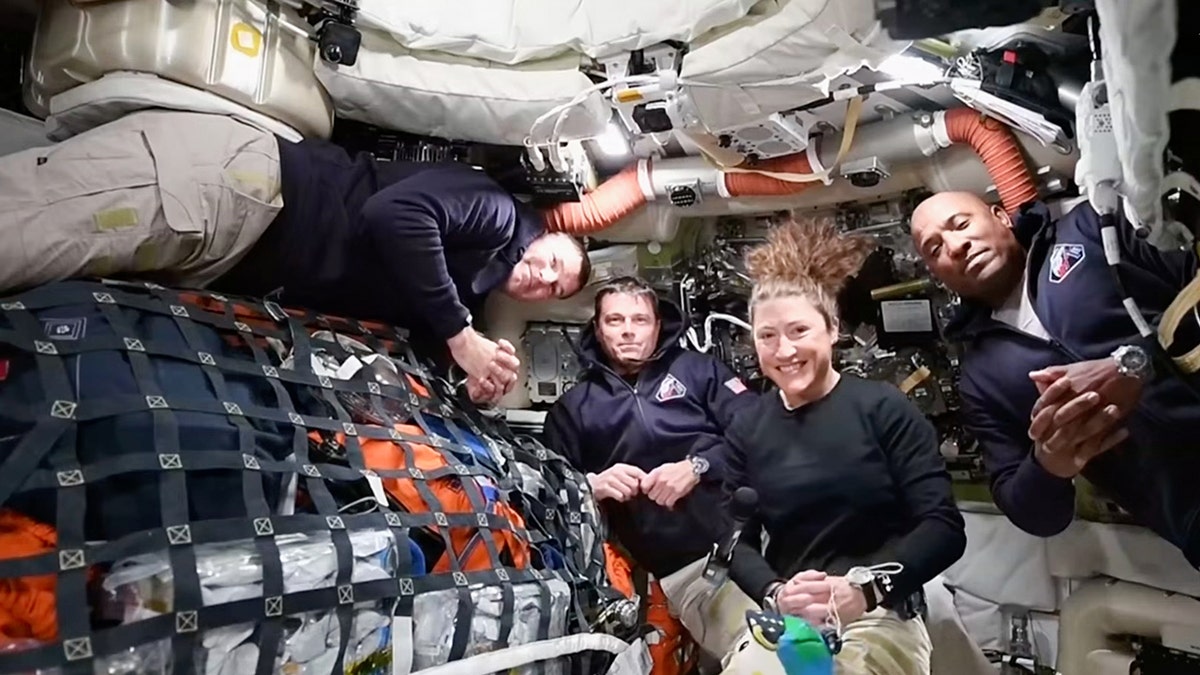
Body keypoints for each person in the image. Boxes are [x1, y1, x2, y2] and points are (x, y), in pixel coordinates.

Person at [0, 110, 590, 404]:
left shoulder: (463, 287)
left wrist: (472, 382)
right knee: (26, 230)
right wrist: (462, 336)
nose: (542, 279)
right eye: (552, 262)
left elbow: (416, 333)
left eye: (554, 291)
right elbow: (395, 217)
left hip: (231, 252)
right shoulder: (496, 214)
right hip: (234, 193)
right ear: (541, 233)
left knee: (36, 266)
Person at [720, 219, 967, 675]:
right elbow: (735, 542)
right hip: (792, 619)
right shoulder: (746, 426)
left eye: (799, 331)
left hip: (879, 610)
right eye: (767, 336)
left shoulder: (883, 409)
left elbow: (943, 527)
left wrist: (865, 590)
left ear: (832, 329)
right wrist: (776, 592)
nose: (784, 350)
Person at [910, 191, 1200, 567]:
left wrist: (1137, 363)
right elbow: (1034, 516)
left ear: (1001, 217)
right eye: (934, 249)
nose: (956, 245)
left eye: (961, 224)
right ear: (936, 274)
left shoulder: (1093, 229)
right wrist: (1048, 464)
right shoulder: (981, 379)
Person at [543, 276, 759, 663]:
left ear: (658, 326)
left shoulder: (699, 371)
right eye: (615, 320)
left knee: (828, 640)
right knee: (764, 649)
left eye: (639, 320)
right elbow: (546, 497)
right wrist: (590, 486)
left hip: (760, 535)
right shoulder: (574, 409)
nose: (628, 331)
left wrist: (698, 467)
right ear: (597, 328)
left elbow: (761, 434)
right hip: (690, 568)